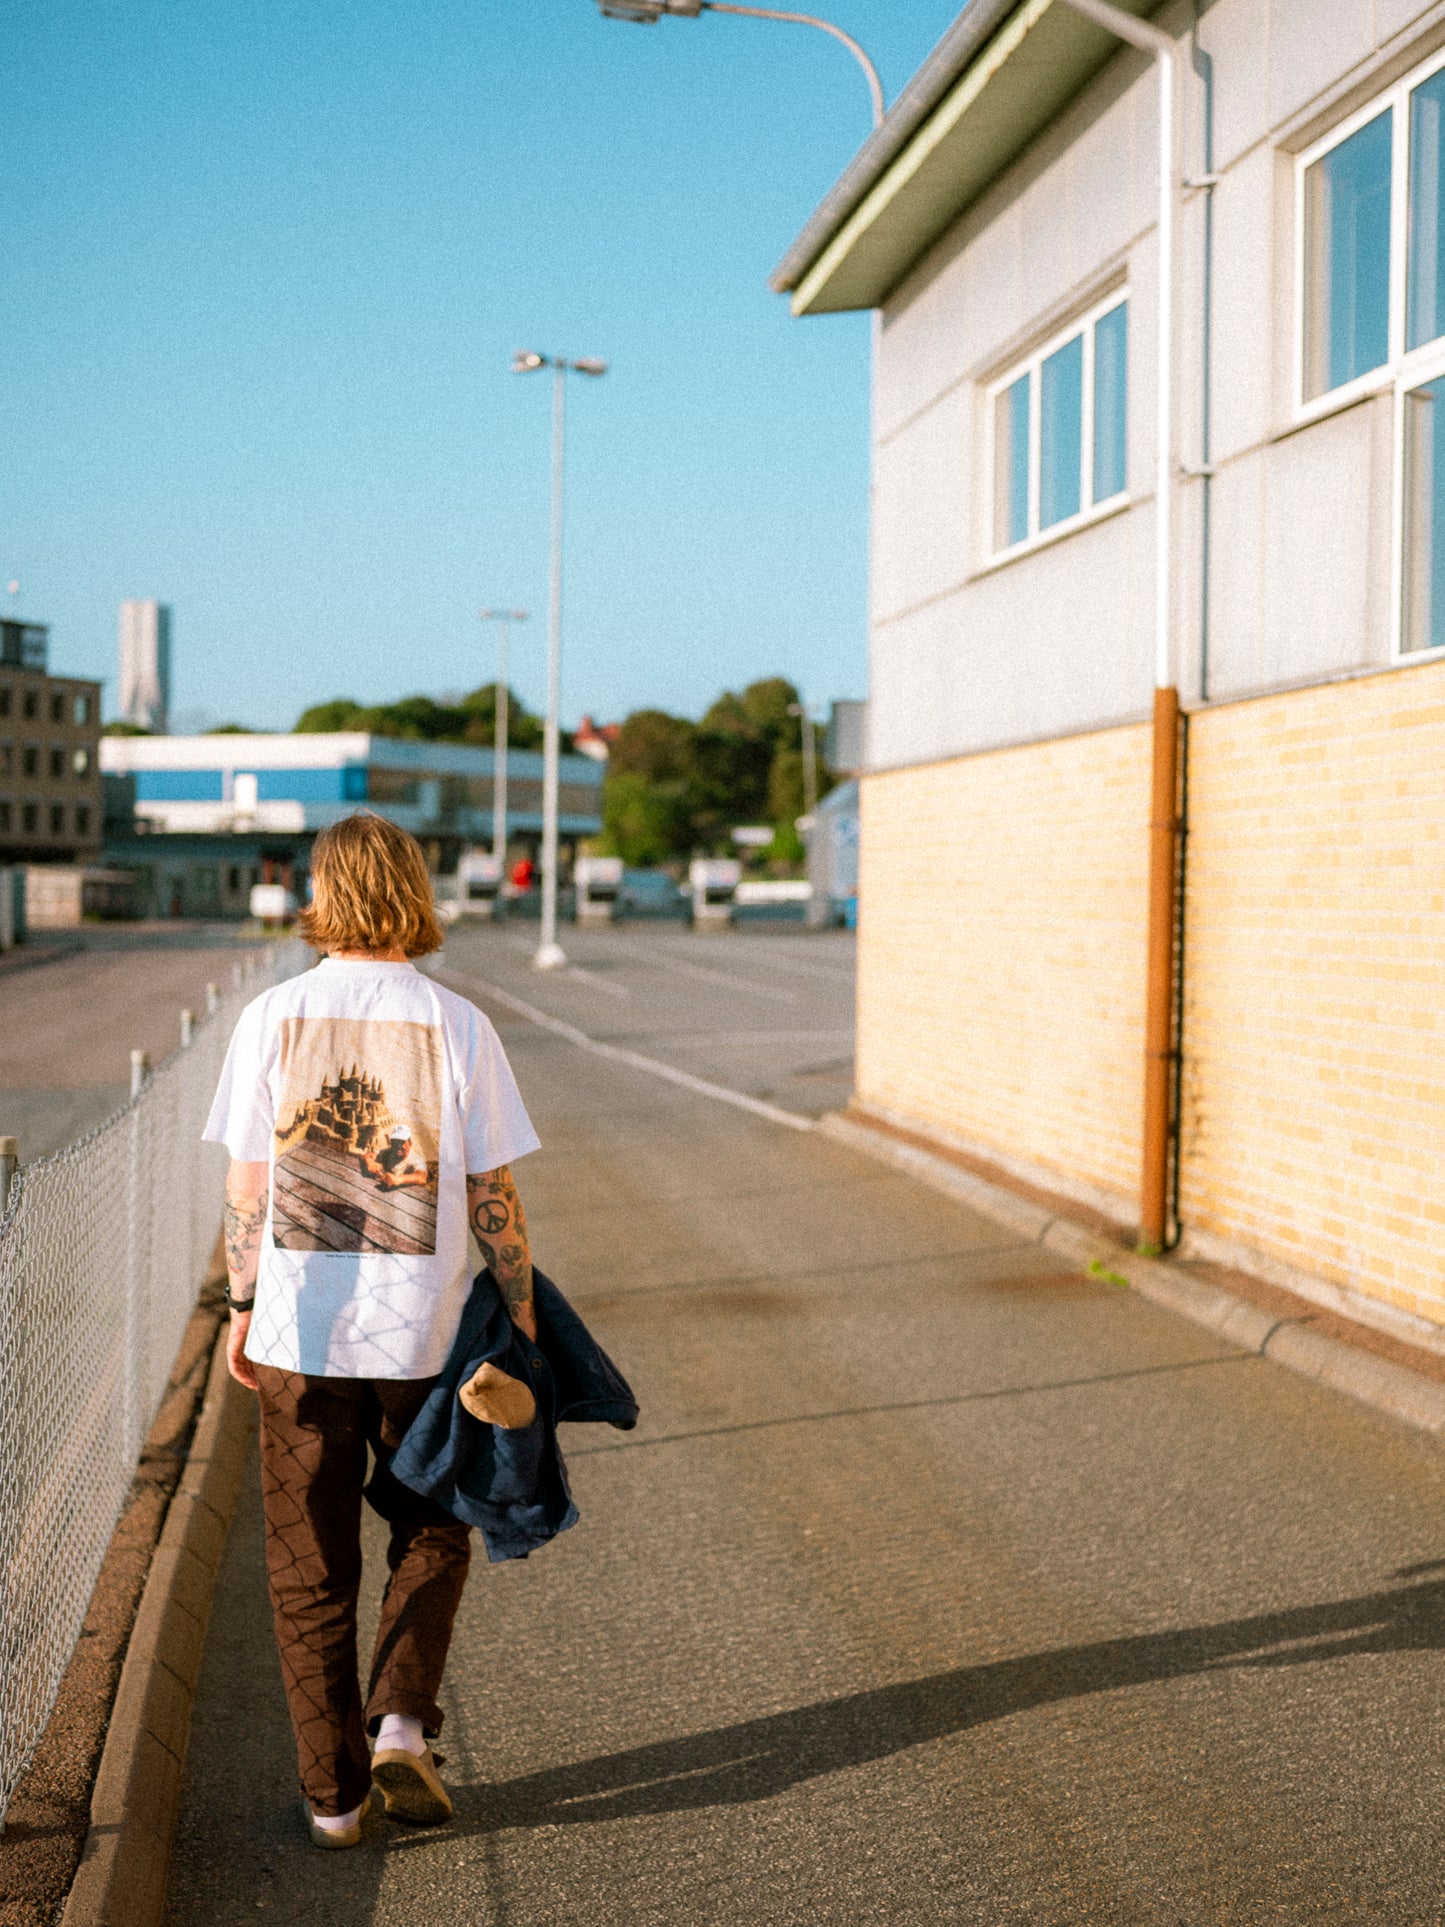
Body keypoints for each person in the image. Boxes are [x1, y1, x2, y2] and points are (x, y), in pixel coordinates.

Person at [204, 810, 541, 1849]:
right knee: (432, 1522)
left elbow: (248, 1187)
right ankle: (399, 1724)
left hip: (298, 1334)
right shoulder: (455, 1020)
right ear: (413, 890)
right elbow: (492, 1189)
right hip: (425, 1338)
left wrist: (241, 1305)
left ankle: (333, 1800)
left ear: (322, 891)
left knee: (306, 1562)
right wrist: (519, 1305)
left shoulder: (271, 1015)